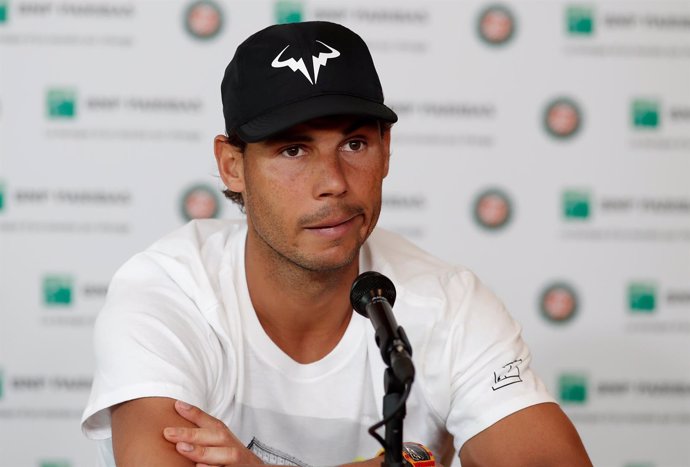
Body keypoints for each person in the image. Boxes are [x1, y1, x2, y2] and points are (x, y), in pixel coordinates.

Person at [81, 21, 592, 467]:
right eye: (293, 149)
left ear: (385, 151)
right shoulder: (171, 291)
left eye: (354, 144)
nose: (333, 182)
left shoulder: (448, 302)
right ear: (232, 166)